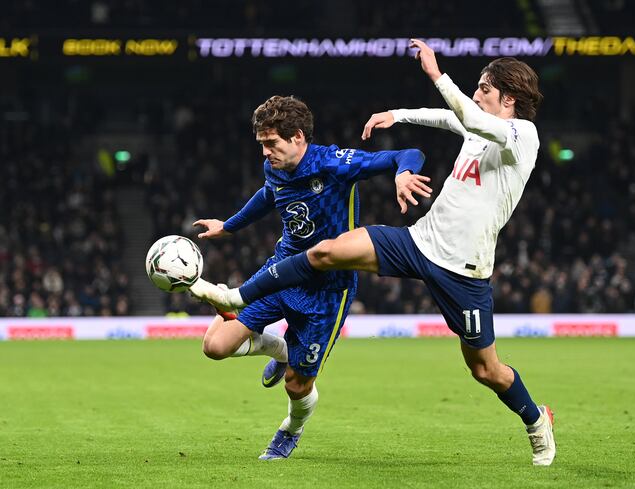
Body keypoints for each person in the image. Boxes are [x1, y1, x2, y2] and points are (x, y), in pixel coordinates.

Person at [191, 39, 556, 466]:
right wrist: (398, 115)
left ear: (508, 99)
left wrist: (437, 75)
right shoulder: (479, 127)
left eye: (484, 89)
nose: (476, 94)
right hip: (419, 242)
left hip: (465, 270)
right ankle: (237, 297)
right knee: (327, 252)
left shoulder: (521, 135)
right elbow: (450, 118)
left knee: (485, 370)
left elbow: (467, 115)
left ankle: (537, 421)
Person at [193, 95, 429, 459]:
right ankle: (283, 349)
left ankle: (292, 429)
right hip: (283, 272)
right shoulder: (275, 168)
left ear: (298, 137)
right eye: (262, 145)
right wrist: (229, 226)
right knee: (215, 346)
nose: (265, 153)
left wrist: (404, 175)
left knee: (296, 385)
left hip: (329, 290)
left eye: (271, 144)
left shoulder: (333, 163)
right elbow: (267, 196)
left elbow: (407, 153)